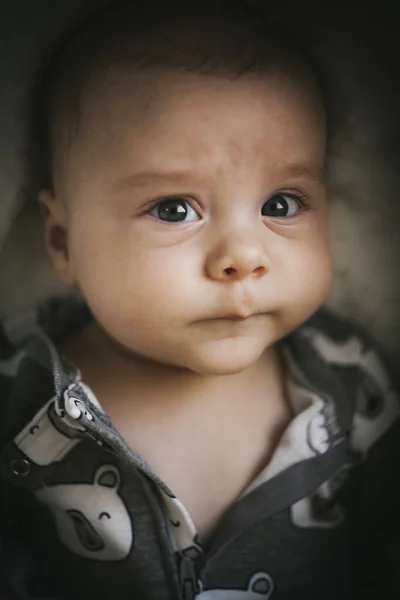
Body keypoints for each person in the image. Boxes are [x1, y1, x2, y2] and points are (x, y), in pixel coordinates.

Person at [0, 1, 399, 598]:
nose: (243, 255)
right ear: (63, 242)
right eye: (173, 209)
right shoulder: (19, 395)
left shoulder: (355, 387)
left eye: (281, 205)